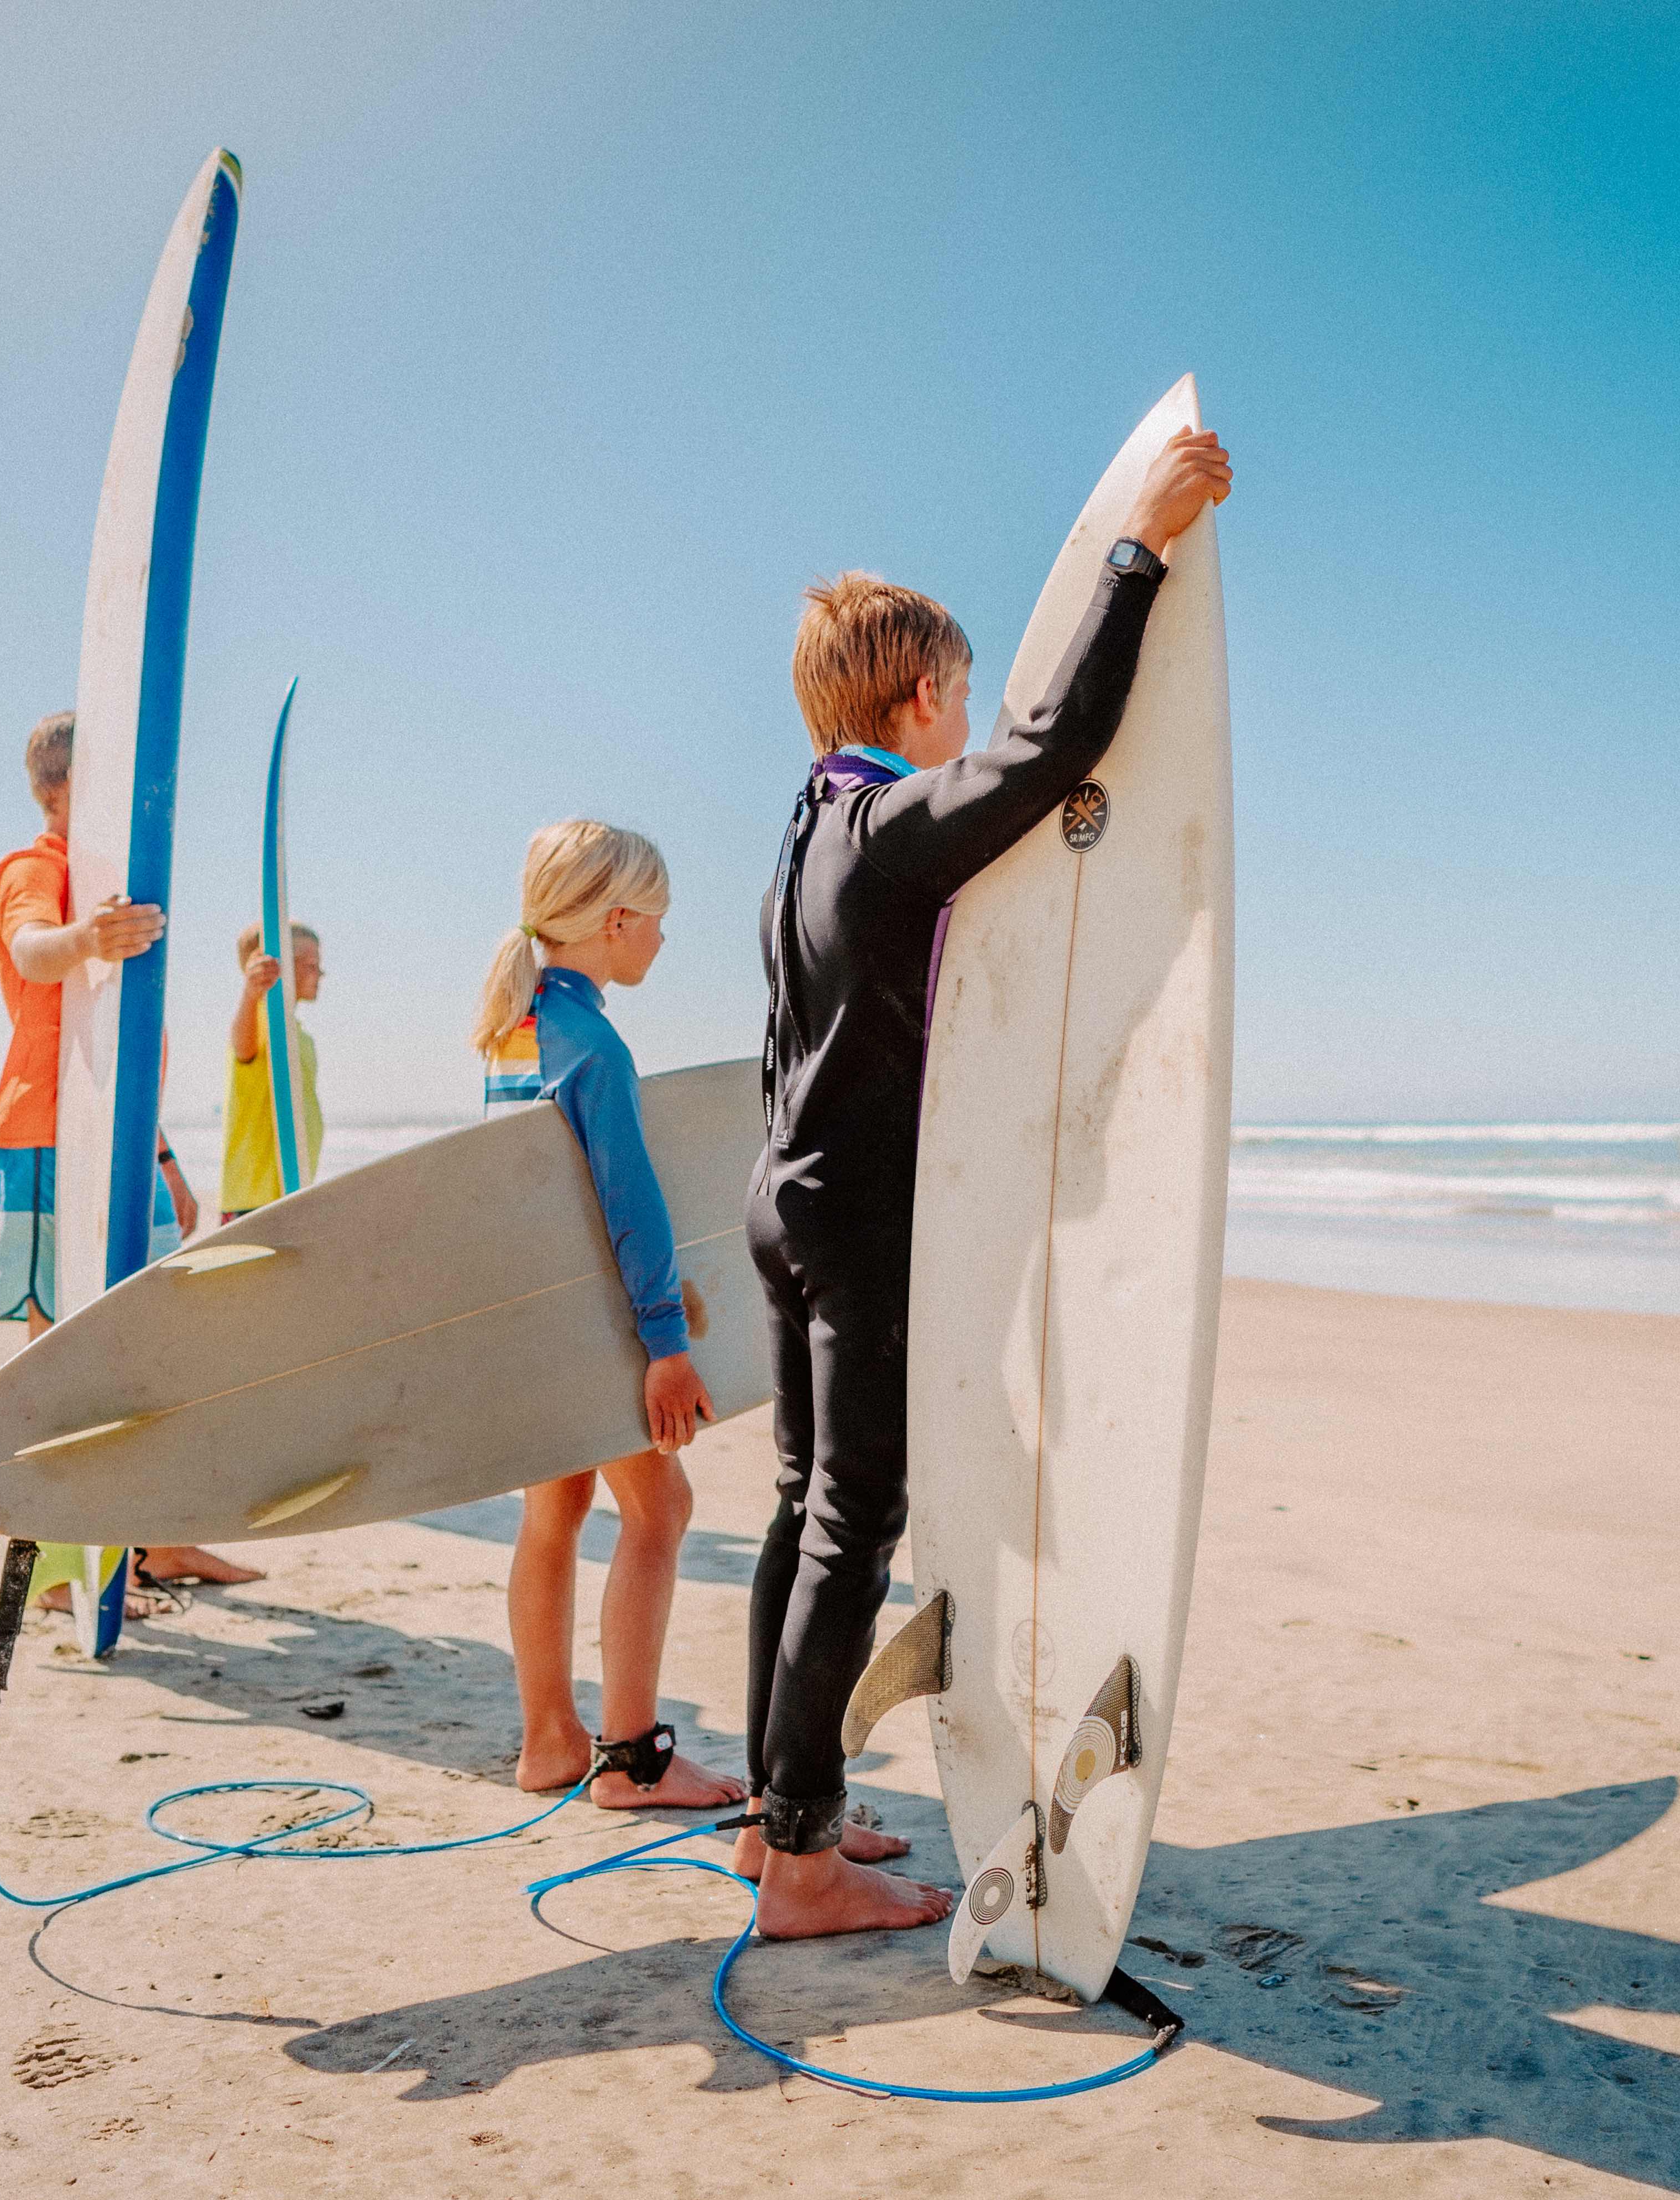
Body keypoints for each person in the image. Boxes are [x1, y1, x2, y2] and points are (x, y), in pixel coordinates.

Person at [742, 425, 1234, 1937]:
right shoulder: (887, 829)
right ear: (918, 696)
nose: (970, 717)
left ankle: (780, 1822)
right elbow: (1054, 754)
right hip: (861, 1217)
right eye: (957, 692)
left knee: (799, 1505)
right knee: (852, 1522)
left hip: (785, 1196)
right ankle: (804, 1865)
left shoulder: (806, 834)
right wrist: (1135, 552)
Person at [469, 821, 745, 1811]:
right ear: (616, 921)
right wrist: (666, 1346)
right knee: (660, 1509)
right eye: (658, 923)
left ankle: (549, 1739)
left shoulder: (514, 1029)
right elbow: (632, 1213)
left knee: (555, 1511)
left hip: (530, 1326)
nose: (664, 943)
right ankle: (634, 1759)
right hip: (594, 1331)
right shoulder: (593, 1044)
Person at [0, 710, 259, 1592]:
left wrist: (168, 1166)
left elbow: (113, 1050)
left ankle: (158, 1544)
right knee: (63, 1361)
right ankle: (66, 1573)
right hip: (46, 1139)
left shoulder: (108, 880)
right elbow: (32, 952)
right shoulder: (38, 869)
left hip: (123, 1143)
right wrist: (86, 940)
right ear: (61, 791)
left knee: (147, 1354)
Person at [222, 921, 324, 1219]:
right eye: (312, 965)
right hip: (255, 1197)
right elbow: (244, 1049)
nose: (321, 975)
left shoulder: (296, 1033)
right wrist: (252, 995)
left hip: (287, 1190)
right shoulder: (262, 1020)